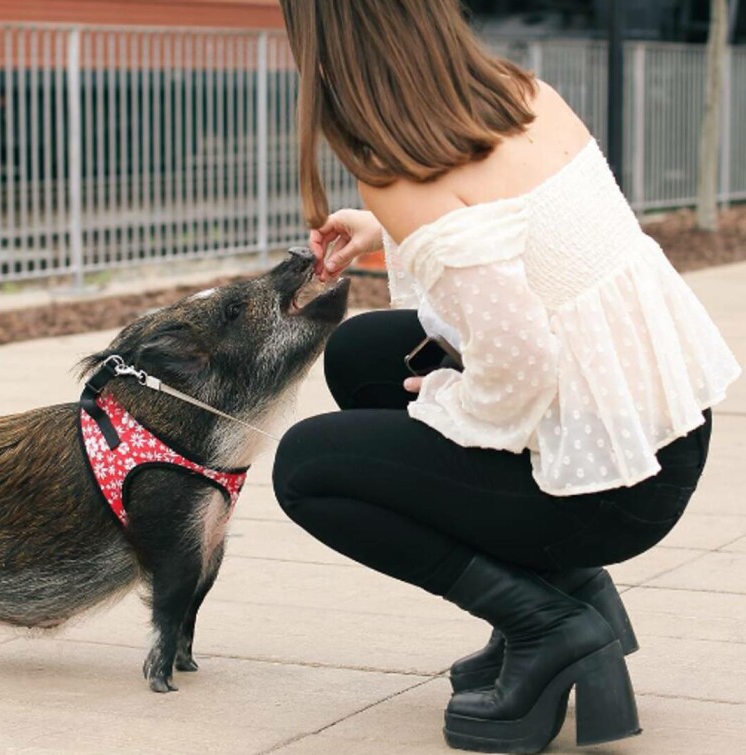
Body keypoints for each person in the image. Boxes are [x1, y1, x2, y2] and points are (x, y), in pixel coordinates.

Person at [271, 2, 742, 753]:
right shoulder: (523, 93)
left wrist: (450, 399)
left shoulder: (399, 169)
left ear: (326, 44)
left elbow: (521, 361)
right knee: (363, 356)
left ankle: (548, 626)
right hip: (658, 435)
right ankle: (566, 587)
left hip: (612, 491)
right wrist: (386, 224)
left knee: (307, 468)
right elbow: (500, 238)